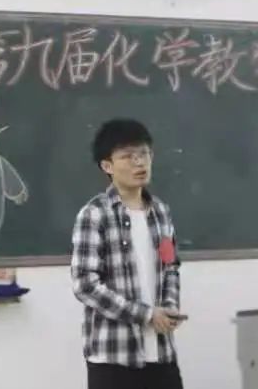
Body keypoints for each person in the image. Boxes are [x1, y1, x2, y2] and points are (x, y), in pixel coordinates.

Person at [70, 118, 184, 389]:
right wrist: (145, 314)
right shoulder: (94, 215)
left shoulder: (161, 213)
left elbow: (170, 266)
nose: (139, 162)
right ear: (107, 166)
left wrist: (169, 307)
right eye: (127, 156)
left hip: (161, 353)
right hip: (114, 358)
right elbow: (85, 284)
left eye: (144, 154)